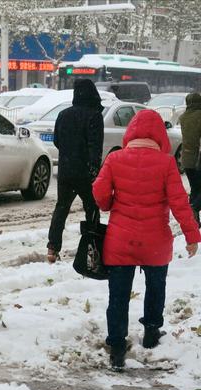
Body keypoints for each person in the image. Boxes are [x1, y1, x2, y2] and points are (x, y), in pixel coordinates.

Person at [92, 109, 200, 370]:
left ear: (131, 132)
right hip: (155, 242)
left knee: (118, 295)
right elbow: (179, 203)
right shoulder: (165, 163)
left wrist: (108, 204)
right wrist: (191, 235)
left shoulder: (116, 158)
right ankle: (151, 332)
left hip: (120, 241)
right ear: (160, 136)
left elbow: (99, 191)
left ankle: (117, 345)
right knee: (155, 286)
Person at [47, 79, 104, 263]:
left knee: (61, 208)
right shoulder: (94, 115)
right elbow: (95, 147)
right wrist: (94, 170)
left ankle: (52, 248)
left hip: (65, 170)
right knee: (92, 209)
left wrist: (68, 153)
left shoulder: (63, 115)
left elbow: (57, 141)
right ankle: (92, 247)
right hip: (85, 173)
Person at [179, 92, 201, 226]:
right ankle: (194, 208)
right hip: (199, 158)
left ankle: (193, 220)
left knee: (195, 188)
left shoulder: (183, 117)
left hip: (187, 159)